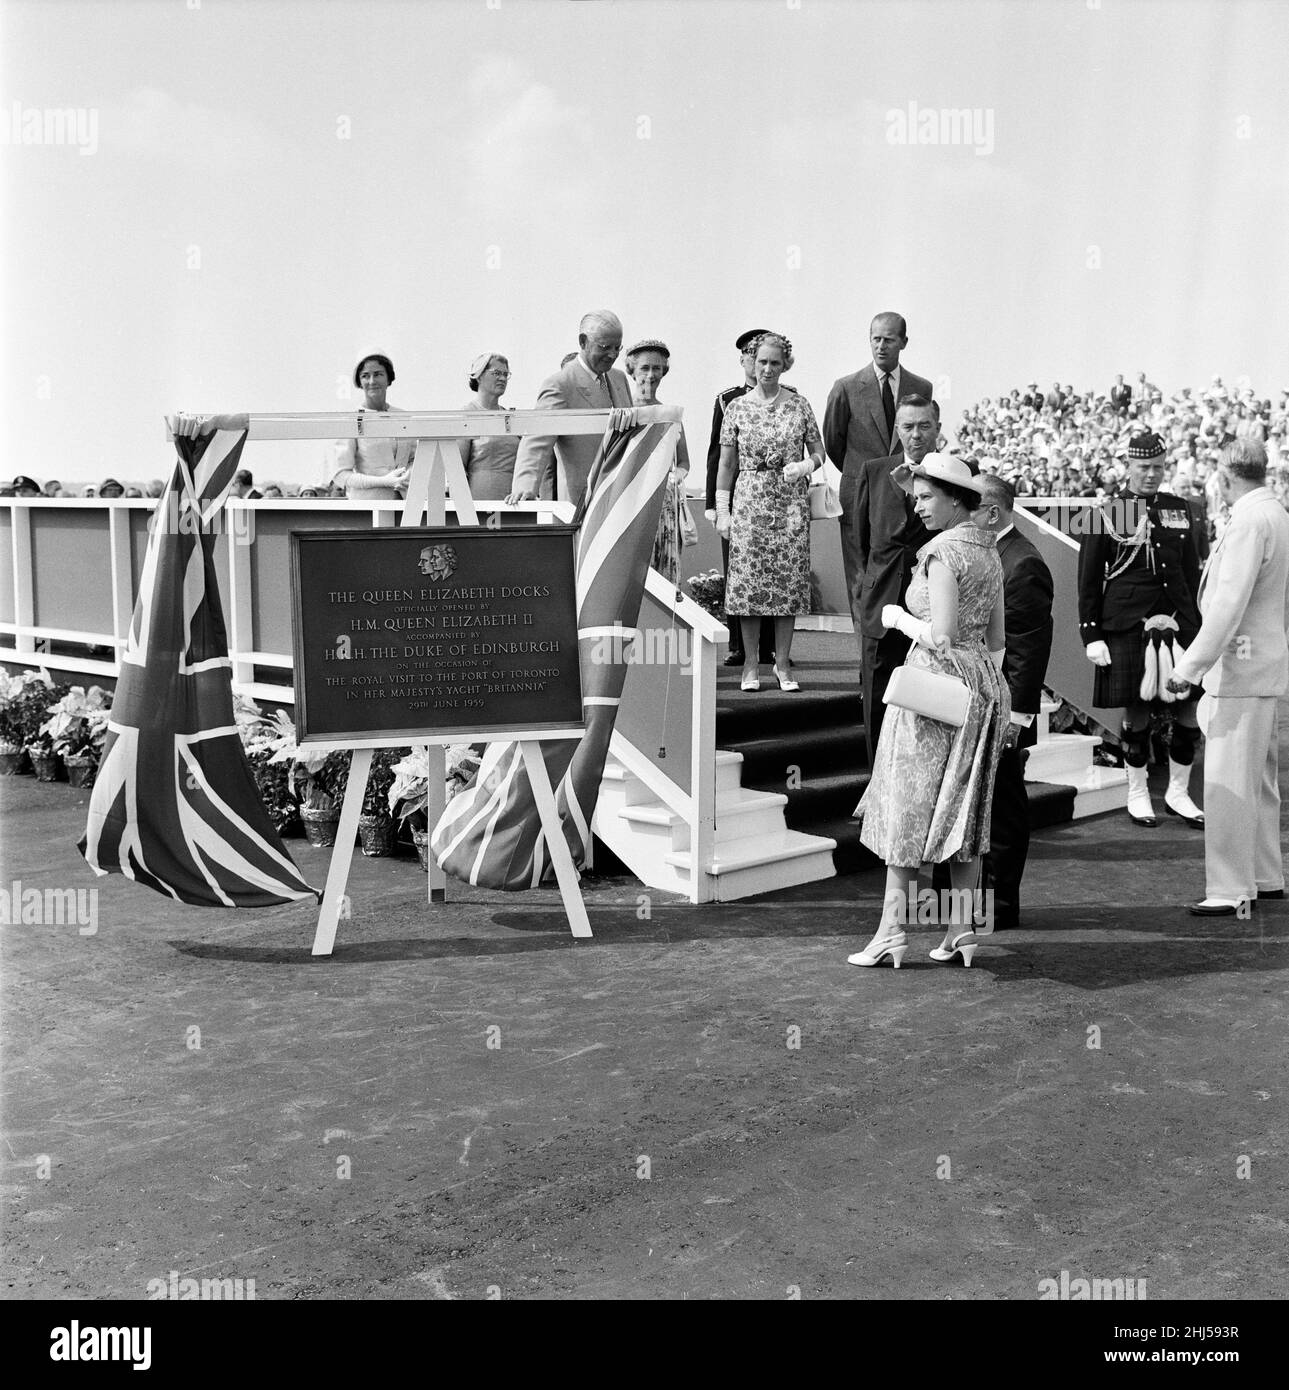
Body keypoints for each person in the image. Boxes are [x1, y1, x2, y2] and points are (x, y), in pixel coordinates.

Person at [849, 453, 1008, 968]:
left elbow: (940, 634)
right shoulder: (988, 549)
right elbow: (998, 640)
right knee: (964, 811)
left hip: (932, 691)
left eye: (925, 498)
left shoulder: (942, 553)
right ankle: (960, 931)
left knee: (907, 805)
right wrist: (976, 676)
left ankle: (891, 931)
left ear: (955, 499)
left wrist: (897, 619)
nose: (917, 508)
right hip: (981, 686)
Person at [1167, 440, 1289, 915]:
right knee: (1258, 779)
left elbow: (1227, 606)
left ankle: (1230, 887)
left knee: (1228, 781)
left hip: (1239, 668)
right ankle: (1263, 874)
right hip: (1263, 664)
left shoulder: (1250, 521)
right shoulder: (1276, 514)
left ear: (1224, 474)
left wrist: (1188, 667)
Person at [1078, 431, 1205, 827]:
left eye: (1158, 467)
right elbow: (1088, 578)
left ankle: (1179, 793)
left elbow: (1189, 570)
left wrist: (1196, 622)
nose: (1151, 475)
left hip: (1179, 622)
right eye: (1143, 468)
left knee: (1189, 710)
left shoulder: (1179, 508)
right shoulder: (1108, 511)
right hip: (1128, 622)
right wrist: (1091, 633)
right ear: (1128, 466)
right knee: (1138, 711)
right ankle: (1137, 792)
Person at [714, 333, 824, 693]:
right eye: (762, 362)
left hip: (789, 504)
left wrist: (806, 466)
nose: (767, 369)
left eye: (775, 363)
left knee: (786, 585)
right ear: (752, 362)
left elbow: (820, 452)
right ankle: (748, 665)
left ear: (785, 365)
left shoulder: (800, 405)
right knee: (749, 587)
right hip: (749, 501)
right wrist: (722, 509)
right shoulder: (736, 408)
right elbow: (726, 463)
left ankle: (782, 663)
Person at [824, 311, 933, 655]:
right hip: (859, 494)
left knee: (908, 576)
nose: (881, 346)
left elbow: (923, 438)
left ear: (903, 342)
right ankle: (866, 660)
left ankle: (904, 656)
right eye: (876, 339)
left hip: (909, 498)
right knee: (862, 579)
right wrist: (867, 475)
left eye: (889, 339)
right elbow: (833, 442)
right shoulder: (846, 386)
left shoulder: (922, 387)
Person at [973, 475, 1054, 930]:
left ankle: (1002, 905)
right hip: (978, 703)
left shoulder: (1023, 563)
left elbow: (1028, 648)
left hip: (1004, 711)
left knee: (1003, 807)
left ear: (994, 512)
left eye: (973, 504)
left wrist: (1016, 719)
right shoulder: (987, 553)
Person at [851, 396, 938, 764]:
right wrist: (866, 595)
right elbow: (860, 543)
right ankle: (876, 795)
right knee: (876, 703)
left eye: (924, 426)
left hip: (932, 613)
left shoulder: (958, 472)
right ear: (897, 429)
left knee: (926, 707)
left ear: (937, 428)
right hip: (879, 608)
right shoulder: (873, 471)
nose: (915, 434)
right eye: (908, 426)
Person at [706, 329, 795, 667]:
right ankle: (739, 648)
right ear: (745, 360)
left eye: (772, 360)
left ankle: (774, 649)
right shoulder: (728, 400)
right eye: (752, 356)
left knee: (778, 574)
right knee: (739, 574)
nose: (760, 365)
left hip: (780, 499)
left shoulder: (792, 399)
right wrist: (717, 505)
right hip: (742, 496)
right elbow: (718, 456)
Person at [507, 311, 633, 506]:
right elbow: (536, 440)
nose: (613, 355)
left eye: (618, 348)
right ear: (583, 342)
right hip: (583, 501)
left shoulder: (619, 379)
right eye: (605, 347)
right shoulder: (560, 384)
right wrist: (525, 488)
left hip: (620, 497)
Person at [625, 339, 691, 583]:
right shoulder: (621, 411)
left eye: (657, 368)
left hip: (663, 509)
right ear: (632, 370)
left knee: (663, 579)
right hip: (629, 505)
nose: (651, 375)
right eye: (644, 368)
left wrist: (676, 476)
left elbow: (684, 462)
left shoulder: (670, 415)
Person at [331, 353, 416, 502]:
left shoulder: (403, 416)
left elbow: (414, 458)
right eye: (365, 376)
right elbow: (341, 474)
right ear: (359, 381)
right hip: (367, 506)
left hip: (406, 505)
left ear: (388, 378)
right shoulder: (352, 418)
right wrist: (383, 481)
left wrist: (408, 474)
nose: (372, 381)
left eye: (378, 374)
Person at [458, 353, 520, 500]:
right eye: (496, 373)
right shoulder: (467, 414)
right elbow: (457, 467)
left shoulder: (509, 417)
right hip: (479, 498)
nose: (503, 378)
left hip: (513, 500)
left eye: (506, 374)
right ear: (479, 376)